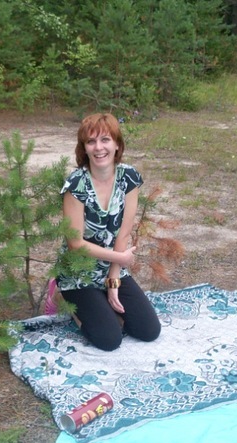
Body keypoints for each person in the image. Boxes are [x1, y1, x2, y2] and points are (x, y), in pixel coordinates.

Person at [55, 113, 161, 351]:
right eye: (91, 141)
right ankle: (63, 298)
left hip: (112, 265)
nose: (98, 147)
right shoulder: (76, 185)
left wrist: (113, 280)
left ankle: (102, 300)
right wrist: (120, 258)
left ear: (117, 145)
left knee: (148, 330)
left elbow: (124, 232)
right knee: (110, 339)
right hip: (78, 272)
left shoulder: (128, 178)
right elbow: (75, 244)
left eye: (105, 140)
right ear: (84, 148)